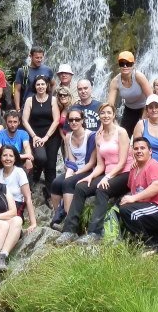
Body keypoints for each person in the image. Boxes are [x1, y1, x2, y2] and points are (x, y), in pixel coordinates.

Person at [56, 103, 131, 245]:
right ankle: (69, 231)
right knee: (80, 187)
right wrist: (89, 177)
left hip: (124, 173)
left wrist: (108, 177)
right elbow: (100, 165)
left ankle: (94, 233)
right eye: (103, 113)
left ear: (114, 115)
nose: (106, 116)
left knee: (102, 189)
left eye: (109, 113)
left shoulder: (121, 132)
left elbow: (122, 162)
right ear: (99, 116)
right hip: (108, 172)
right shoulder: (99, 135)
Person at [119, 137, 158, 256]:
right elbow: (134, 191)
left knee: (131, 212)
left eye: (142, 148)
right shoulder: (134, 169)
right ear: (132, 152)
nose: (139, 151)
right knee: (122, 207)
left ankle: (147, 247)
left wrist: (133, 198)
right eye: (136, 149)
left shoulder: (154, 166)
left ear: (150, 151)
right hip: (152, 210)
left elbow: (157, 186)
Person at [49, 106, 97, 228]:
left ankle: (69, 221)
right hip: (75, 169)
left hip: (88, 171)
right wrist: (70, 171)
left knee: (67, 183)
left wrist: (75, 174)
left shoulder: (91, 136)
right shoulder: (68, 137)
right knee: (55, 183)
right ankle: (58, 214)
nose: (74, 122)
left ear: (82, 120)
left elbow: (92, 163)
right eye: (71, 120)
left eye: (77, 119)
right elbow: (71, 160)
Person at [21, 75, 58, 194]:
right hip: (35, 135)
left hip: (51, 135)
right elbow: (24, 120)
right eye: (38, 84)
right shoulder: (30, 100)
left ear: (47, 85)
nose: (40, 86)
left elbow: (56, 120)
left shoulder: (53, 100)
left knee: (51, 164)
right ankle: (35, 176)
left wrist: (46, 137)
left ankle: (51, 192)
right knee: (41, 157)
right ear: (35, 86)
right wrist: (34, 136)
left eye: (43, 84)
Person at [107, 51, 152, 137]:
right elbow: (110, 105)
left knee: (144, 135)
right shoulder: (115, 81)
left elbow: (151, 98)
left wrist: (144, 116)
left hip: (144, 108)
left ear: (133, 64)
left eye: (128, 63)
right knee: (124, 135)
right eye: (122, 63)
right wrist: (112, 120)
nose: (125, 66)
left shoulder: (139, 77)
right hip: (129, 109)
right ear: (119, 65)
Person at [0, 145, 38, 231]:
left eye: (11, 156)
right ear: (0, 157)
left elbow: (28, 198)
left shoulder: (19, 172)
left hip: (15, 207)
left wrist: (33, 223)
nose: (7, 158)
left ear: (15, 158)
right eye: (4, 155)